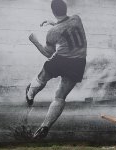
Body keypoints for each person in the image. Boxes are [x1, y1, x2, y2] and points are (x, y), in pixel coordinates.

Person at [26, 0, 87, 139]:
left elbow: (48, 53)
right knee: (60, 96)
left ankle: (29, 94)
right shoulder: (77, 18)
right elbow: (67, 27)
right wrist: (53, 22)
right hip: (79, 62)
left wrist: (34, 41)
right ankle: (45, 126)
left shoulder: (52, 32)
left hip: (63, 60)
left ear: (53, 11)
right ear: (65, 9)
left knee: (42, 76)